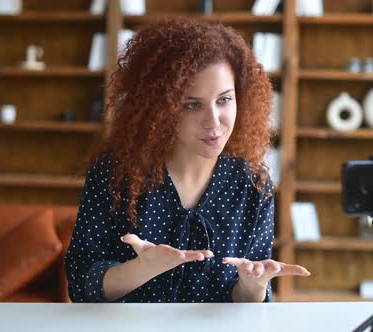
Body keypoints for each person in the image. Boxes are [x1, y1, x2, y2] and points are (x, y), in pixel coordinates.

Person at [64, 17, 310, 303]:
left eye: (224, 100)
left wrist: (253, 285)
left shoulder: (254, 185)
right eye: (192, 105)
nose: (214, 121)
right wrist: (141, 269)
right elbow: (81, 284)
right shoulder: (116, 173)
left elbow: (248, 299)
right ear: (160, 109)